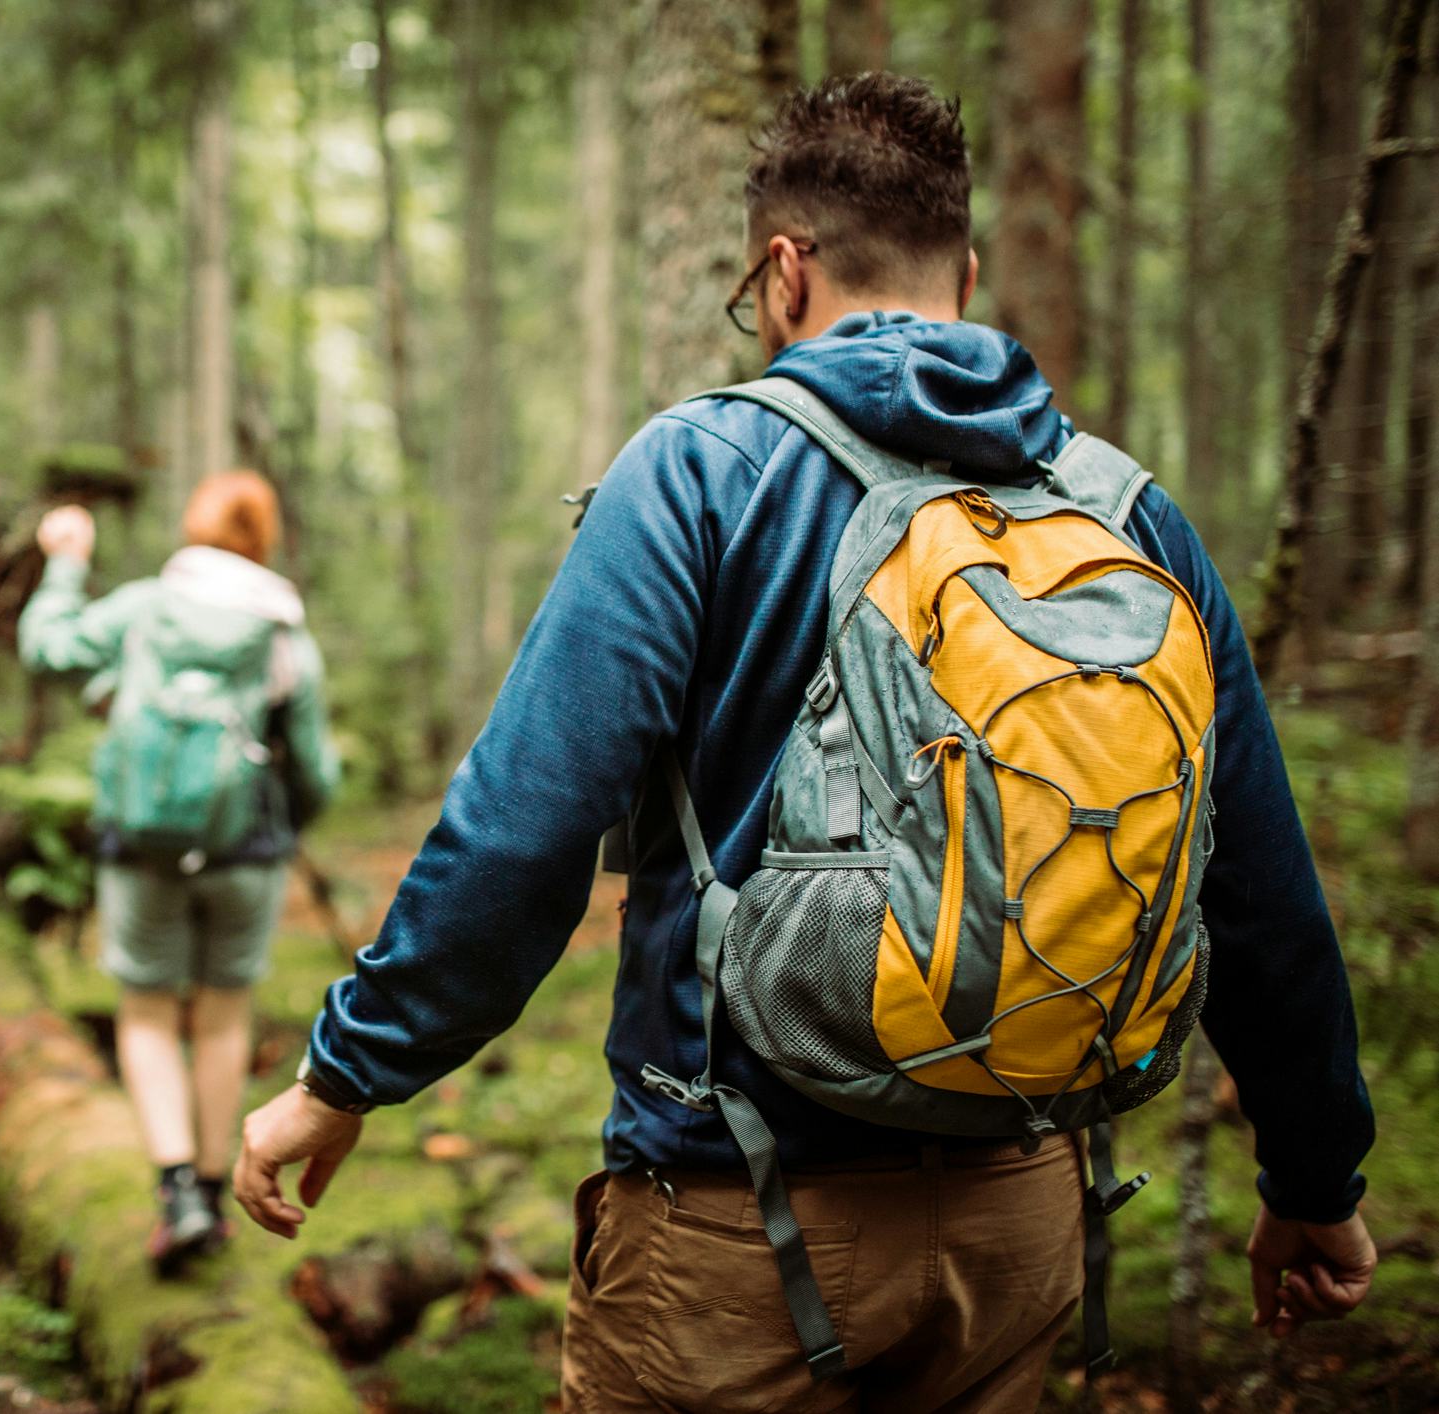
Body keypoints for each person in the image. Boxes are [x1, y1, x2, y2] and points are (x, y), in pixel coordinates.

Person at [235, 73, 1376, 1411]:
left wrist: (345, 1074)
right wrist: (1313, 1179)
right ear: (963, 265)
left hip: (742, 1229)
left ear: (783, 272)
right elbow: (1252, 882)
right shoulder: (1122, 508)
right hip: (1022, 1219)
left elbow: (525, 821)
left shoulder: (703, 470)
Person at [21, 470, 337, 1275]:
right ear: (263, 539)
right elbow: (314, 771)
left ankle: (176, 1197)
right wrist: (283, 826)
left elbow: (47, 649)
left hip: (142, 850)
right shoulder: (280, 634)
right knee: (223, 1018)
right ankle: (213, 1181)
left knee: (149, 1012)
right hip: (245, 856)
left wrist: (63, 559)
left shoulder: (143, 608)